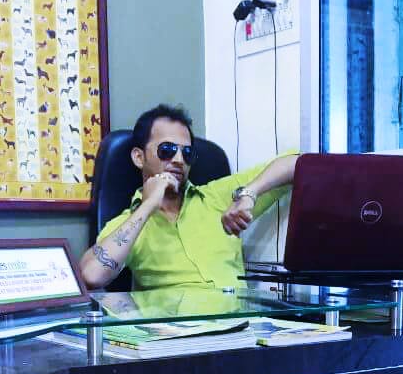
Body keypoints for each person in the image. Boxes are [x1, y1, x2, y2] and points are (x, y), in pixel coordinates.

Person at [79, 103, 298, 291]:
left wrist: (250, 193)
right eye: (167, 150)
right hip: (173, 326)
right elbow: (91, 276)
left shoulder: (217, 196)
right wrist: (148, 204)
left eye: (187, 153)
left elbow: (299, 163)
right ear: (139, 157)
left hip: (237, 322)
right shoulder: (129, 223)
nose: (178, 160)